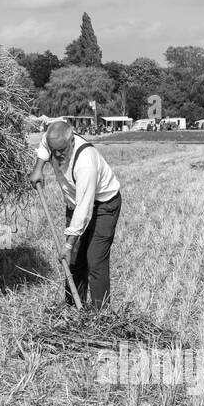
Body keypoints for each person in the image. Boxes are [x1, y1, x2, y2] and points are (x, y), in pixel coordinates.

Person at [29, 118, 121, 308]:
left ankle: (100, 315)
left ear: (72, 141)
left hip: (103, 206)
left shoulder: (85, 162)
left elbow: (84, 209)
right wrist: (38, 169)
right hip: (74, 204)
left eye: (62, 151)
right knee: (74, 261)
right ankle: (73, 309)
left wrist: (68, 245)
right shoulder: (54, 141)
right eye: (54, 151)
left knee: (94, 259)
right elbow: (45, 147)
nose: (58, 155)